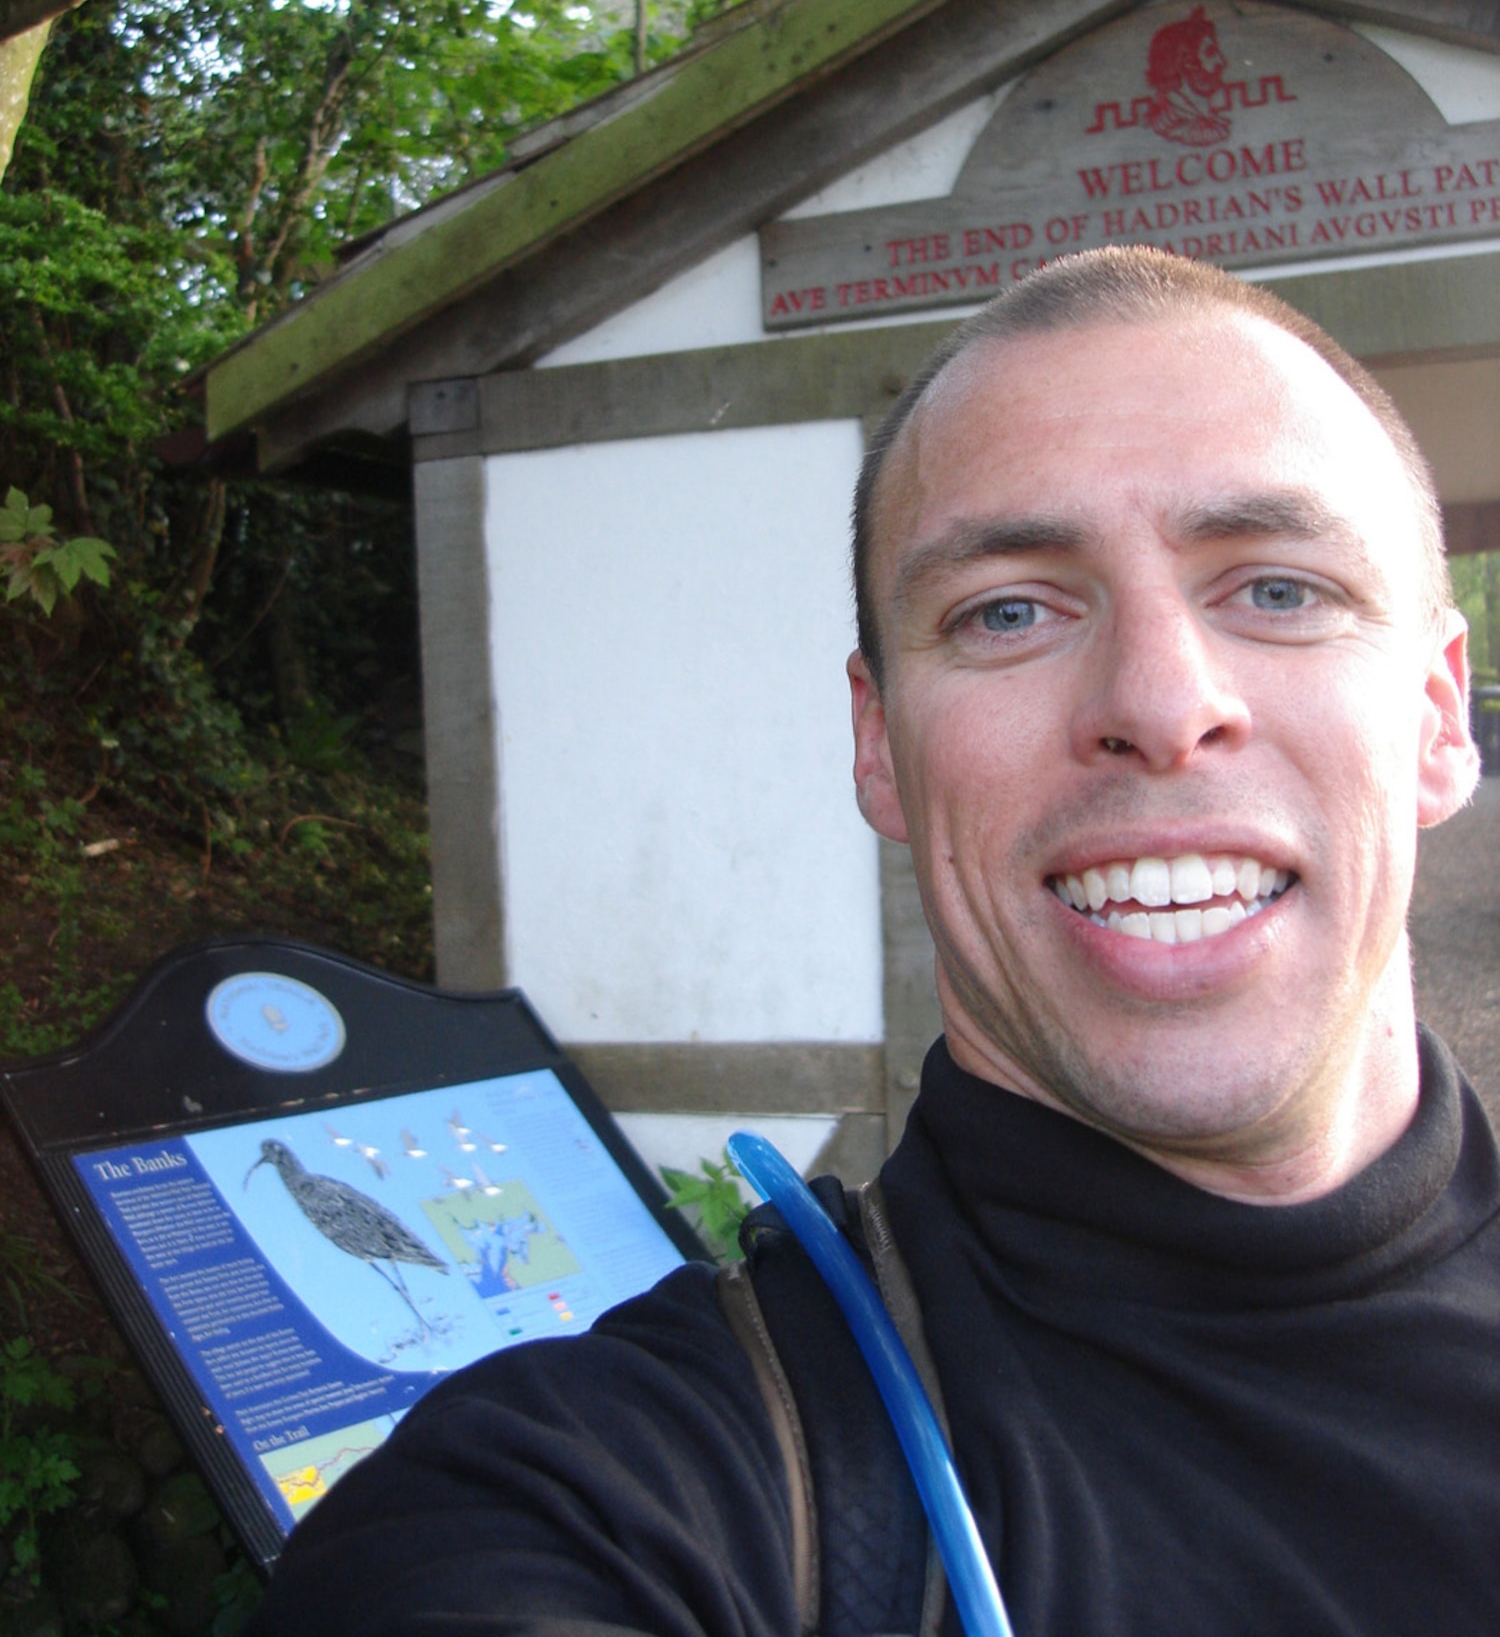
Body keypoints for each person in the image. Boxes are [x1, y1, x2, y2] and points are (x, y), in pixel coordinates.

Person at [251, 246, 1499, 1635]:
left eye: (1277, 589)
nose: (1160, 700)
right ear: (880, 748)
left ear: (1441, 719)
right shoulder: (596, 1498)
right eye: (1009, 611)